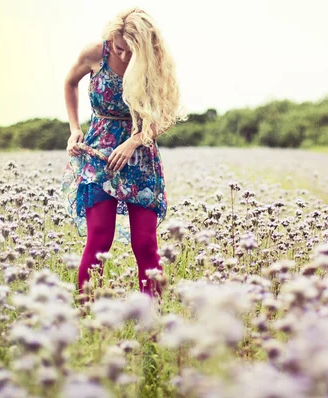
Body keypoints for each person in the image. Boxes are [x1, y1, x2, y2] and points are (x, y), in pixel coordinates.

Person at [60, 6, 184, 300]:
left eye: (133, 51)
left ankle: (151, 319)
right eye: (120, 48)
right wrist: (74, 128)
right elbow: (69, 83)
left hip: (140, 157)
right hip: (98, 151)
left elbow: (164, 117)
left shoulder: (155, 63)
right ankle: (85, 313)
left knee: (144, 243)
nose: (126, 56)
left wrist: (134, 141)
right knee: (100, 238)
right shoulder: (95, 53)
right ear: (111, 38)